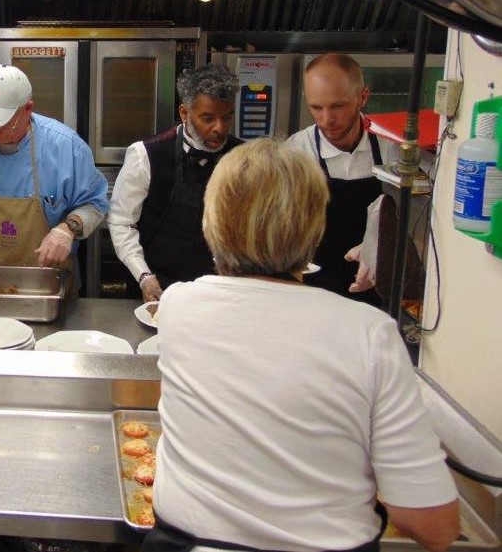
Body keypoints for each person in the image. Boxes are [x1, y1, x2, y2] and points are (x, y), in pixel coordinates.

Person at [146, 138, 460, 552]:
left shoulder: (180, 305)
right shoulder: (369, 332)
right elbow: (432, 526)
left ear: (212, 222)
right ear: (314, 227)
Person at [0, 65, 109, 289]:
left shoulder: (65, 146)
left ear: (28, 109)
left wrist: (66, 230)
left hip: (49, 284)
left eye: (2, 122)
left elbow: (95, 203)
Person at [107, 64, 243, 303]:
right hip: (157, 289)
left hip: (221, 290)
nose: (219, 128)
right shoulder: (146, 154)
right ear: (184, 112)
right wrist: (144, 275)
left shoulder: (244, 157)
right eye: (207, 118)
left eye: (227, 117)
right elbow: (121, 222)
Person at [286, 53, 399, 305]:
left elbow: (415, 218)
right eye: (317, 107)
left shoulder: (392, 146)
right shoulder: (296, 152)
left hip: (379, 284)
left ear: (363, 97)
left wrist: (377, 246)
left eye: (337, 106)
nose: (327, 119)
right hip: (315, 286)